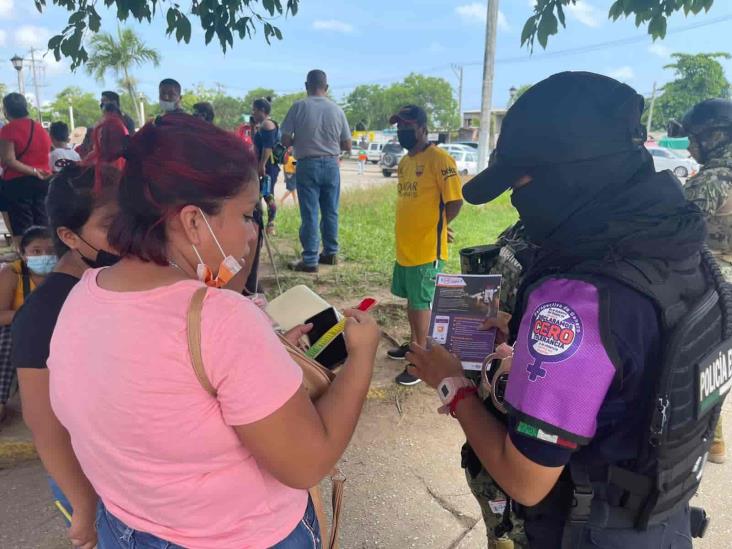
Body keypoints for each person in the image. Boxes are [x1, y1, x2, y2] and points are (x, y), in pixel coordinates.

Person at [407, 72, 729, 547]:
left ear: (569, 174)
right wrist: (528, 342)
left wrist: (453, 386)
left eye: (523, 183)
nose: (519, 202)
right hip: (663, 519)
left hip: (585, 531)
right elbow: (634, 364)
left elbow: (525, 481)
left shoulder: (574, 301)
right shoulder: (686, 255)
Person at [47, 115, 380, 548]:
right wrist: (362, 358)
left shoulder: (83, 296)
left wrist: (265, 354)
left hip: (128, 528)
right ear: (192, 222)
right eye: (245, 214)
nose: (251, 232)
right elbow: (306, 464)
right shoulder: (217, 319)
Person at [14, 164, 120, 549]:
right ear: (69, 236)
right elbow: (45, 427)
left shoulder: (120, 285)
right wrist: (84, 506)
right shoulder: (43, 314)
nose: (132, 235)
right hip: (90, 482)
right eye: (113, 225)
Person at [386, 105, 463, 386]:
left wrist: (440, 228)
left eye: (407, 126)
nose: (402, 131)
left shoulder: (439, 159)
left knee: (421, 305)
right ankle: (414, 344)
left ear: (423, 128)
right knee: (413, 303)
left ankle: (421, 360)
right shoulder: (405, 163)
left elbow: (454, 201)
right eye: (398, 127)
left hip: (426, 250)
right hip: (405, 249)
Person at [675, 98, 732, 465]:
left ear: (715, 136)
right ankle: (714, 438)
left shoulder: (714, 179)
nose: (691, 147)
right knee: (716, 359)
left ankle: (703, 438)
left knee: (695, 359)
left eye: (695, 138)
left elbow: (675, 230)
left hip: (713, 283)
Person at [281, 69, 352, 272]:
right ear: (326, 87)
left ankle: (310, 259)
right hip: (331, 164)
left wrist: (300, 140)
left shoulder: (298, 107)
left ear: (306, 86)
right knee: (331, 211)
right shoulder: (337, 110)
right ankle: (330, 253)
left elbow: (285, 139)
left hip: (307, 164)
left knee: (310, 212)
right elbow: (347, 144)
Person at [0, 226, 55, 422]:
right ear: (23, 254)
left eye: (51, 251)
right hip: (19, 329)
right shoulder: (12, 274)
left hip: (54, 331)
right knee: (6, 336)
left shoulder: (63, 273)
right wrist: (30, 317)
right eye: (37, 251)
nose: (45, 256)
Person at [0, 93, 52, 242]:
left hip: (18, 185)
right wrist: (37, 172)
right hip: (43, 182)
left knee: (24, 229)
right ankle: (47, 259)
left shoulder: (9, 129)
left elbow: (9, 160)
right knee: (42, 225)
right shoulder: (40, 128)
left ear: (6, 110)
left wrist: (33, 171)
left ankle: (27, 261)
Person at [252, 97, 281, 235]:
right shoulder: (262, 125)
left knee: (267, 194)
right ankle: (259, 223)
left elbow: (267, 147)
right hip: (264, 165)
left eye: (254, 110)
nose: (253, 113)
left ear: (262, 110)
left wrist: (262, 165)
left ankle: (271, 224)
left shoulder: (267, 125)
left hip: (268, 166)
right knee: (258, 194)